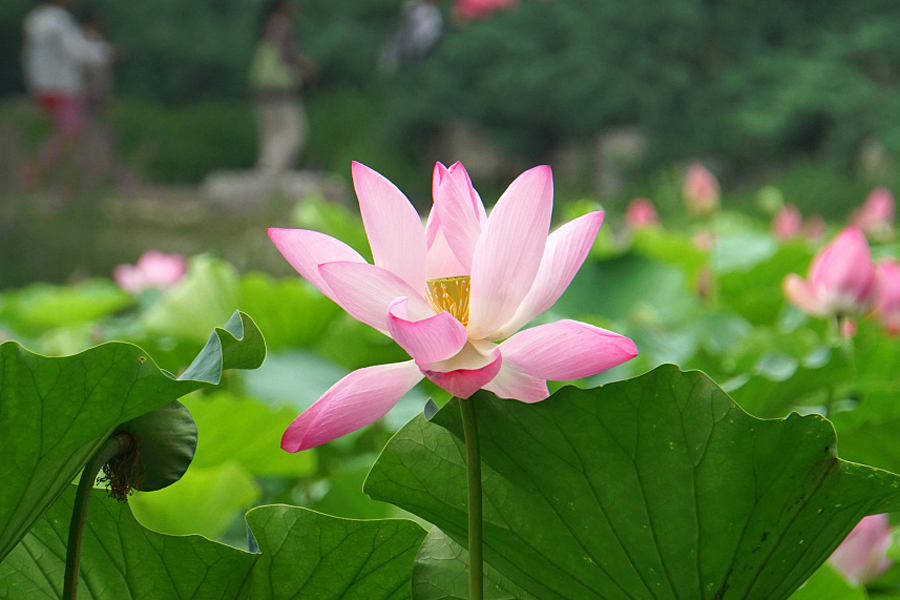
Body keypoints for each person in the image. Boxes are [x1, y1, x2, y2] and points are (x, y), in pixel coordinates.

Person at [20, 0, 112, 186]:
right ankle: (33, 173)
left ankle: (52, 179)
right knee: (70, 132)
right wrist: (105, 53)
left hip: (43, 85)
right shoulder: (59, 21)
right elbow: (77, 51)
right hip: (61, 87)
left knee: (65, 133)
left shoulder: (37, 19)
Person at [249, 0, 316, 184]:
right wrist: (305, 67)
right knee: (292, 133)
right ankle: (271, 174)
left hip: (262, 90)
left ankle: (267, 174)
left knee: (271, 134)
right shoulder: (282, 25)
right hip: (279, 91)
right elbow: (287, 56)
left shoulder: (266, 25)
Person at [379, 0, 443, 75]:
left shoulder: (434, 17)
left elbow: (425, 40)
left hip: (411, 52)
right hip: (396, 46)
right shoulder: (413, 5)